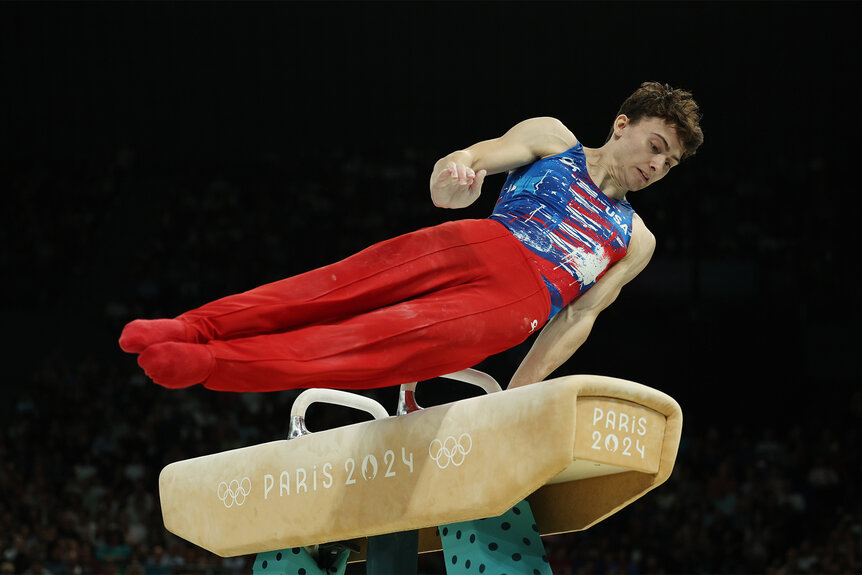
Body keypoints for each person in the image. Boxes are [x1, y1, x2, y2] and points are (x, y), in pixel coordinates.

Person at [119, 81, 703, 392]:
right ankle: (191, 325)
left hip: (510, 307)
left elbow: (577, 320)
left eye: (670, 163)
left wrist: (512, 399)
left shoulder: (636, 240)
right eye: (656, 146)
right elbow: (460, 170)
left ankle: (209, 362)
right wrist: (456, 177)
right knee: (330, 289)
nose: (658, 166)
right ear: (623, 124)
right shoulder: (553, 138)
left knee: (361, 344)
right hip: (476, 239)